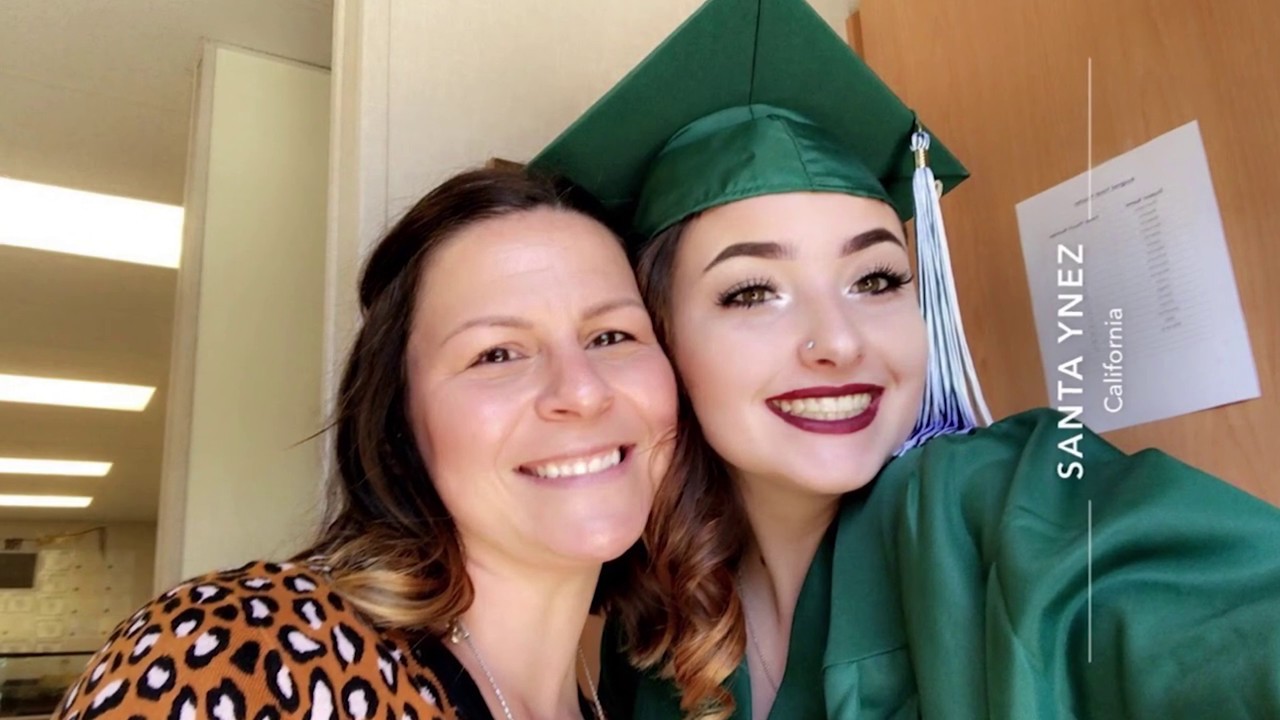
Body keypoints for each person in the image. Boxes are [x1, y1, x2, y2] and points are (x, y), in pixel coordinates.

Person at [528, 0, 1280, 718]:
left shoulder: (1000, 507)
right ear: (662, 341)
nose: (842, 340)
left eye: (878, 279)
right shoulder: (653, 632)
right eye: (753, 292)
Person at [55, 168, 678, 720]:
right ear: (397, 416)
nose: (583, 391)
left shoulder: (628, 693)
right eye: (497, 353)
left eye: (612, 336)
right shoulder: (236, 657)